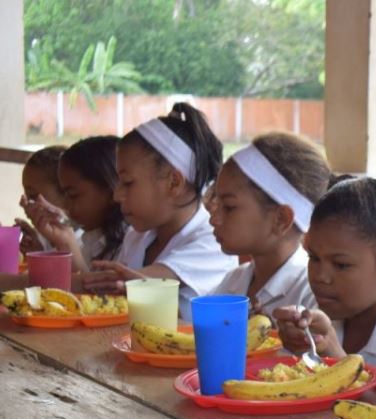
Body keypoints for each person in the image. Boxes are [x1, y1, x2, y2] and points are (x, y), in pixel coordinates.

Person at [82, 103, 237, 320]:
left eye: (127, 182)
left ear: (173, 182)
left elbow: (124, 283)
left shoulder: (212, 241)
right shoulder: (139, 234)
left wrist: (26, 282)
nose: (117, 195)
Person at [273, 176, 376, 366]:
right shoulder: (313, 318)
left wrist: (335, 355)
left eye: (341, 265)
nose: (320, 277)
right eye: (314, 258)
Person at [208, 133, 330, 317]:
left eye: (229, 207)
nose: (214, 219)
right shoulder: (233, 282)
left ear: (280, 219)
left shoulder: (312, 292)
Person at [22, 136, 128, 274]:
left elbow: (94, 292)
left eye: (72, 195)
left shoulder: (129, 242)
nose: (66, 204)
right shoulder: (93, 237)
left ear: (110, 192)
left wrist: (66, 244)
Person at [16, 145, 67, 254]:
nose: (23, 203)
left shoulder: (86, 240)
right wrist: (38, 249)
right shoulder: (45, 235)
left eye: (32, 195)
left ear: (66, 193)